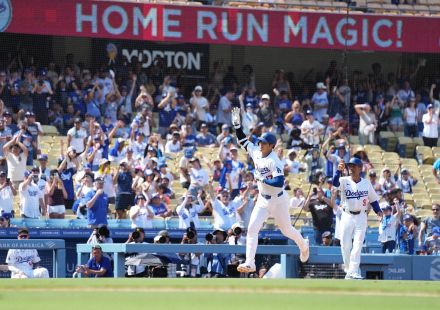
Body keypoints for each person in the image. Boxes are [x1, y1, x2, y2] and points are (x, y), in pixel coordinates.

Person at [230, 107, 309, 273]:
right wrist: (237, 126)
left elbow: (280, 182)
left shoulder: (275, 161)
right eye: (259, 141)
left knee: (286, 230)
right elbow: (243, 141)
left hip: (279, 200)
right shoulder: (256, 152)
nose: (260, 144)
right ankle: (250, 263)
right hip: (263, 200)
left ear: (272, 146)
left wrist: (262, 179)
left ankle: (303, 245)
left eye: (264, 143)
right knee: (252, 229)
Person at [332, 158, 382, 279]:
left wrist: (378, 211)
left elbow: (373, 199)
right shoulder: (344, 180)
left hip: (361, 216)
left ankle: (353, 272)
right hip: (347, 215)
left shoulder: (366, 183)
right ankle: (349, 271)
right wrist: (338, 171)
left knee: (358, 244)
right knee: (345, 245)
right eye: (349, 166)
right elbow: (335, 183)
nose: (351, 168)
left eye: (354, 166)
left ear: (360, 168)